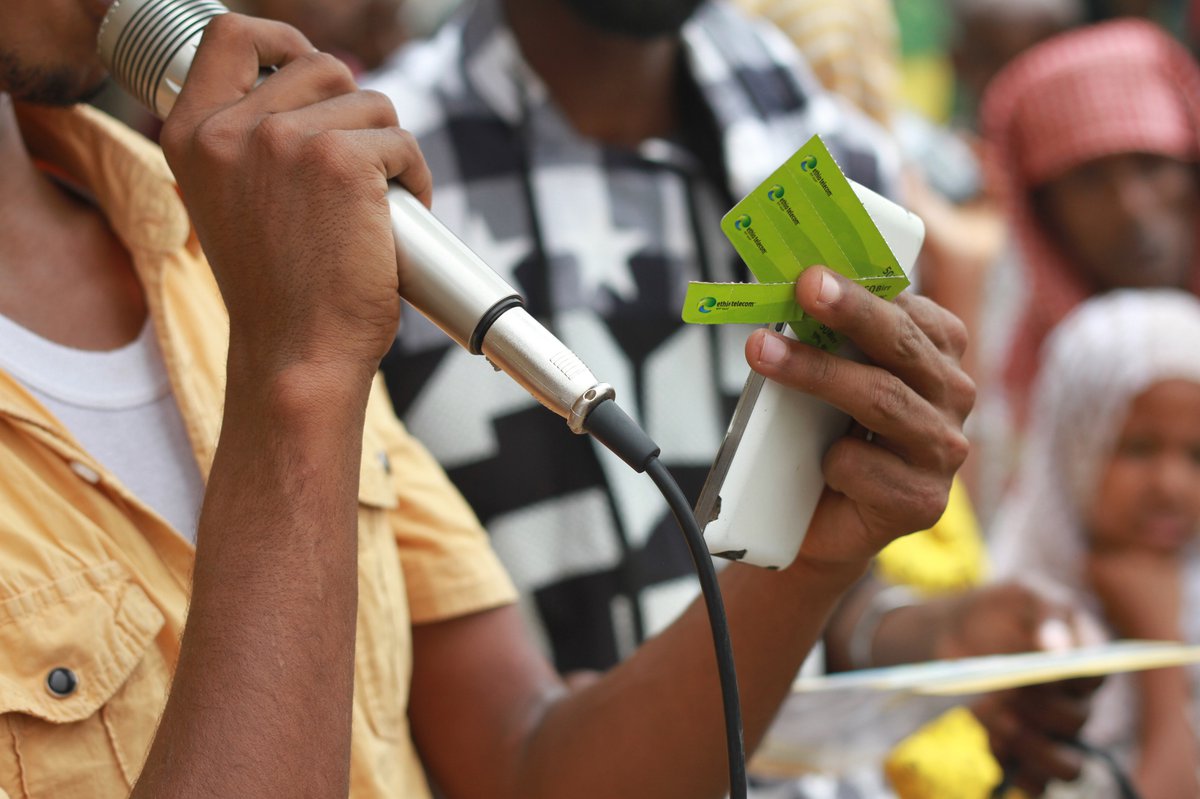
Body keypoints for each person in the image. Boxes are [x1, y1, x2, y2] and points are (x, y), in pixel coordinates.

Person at [0, 5, 998, 799]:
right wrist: (299, 375)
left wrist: (805, 563)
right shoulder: (271, 276)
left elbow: (529, 770)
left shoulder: (194, 225)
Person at [972, 18, 1200, 518]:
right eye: (1089, 180)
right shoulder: (1008, 390)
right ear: (1044, 210)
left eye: (1152, 164)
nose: (1132, 209)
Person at [990, 289, 1200, 799]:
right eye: (1138, 448)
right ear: (1073, 440)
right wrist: (1159, 652)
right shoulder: (1008, 619)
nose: (1170, 485)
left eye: (1196, 454)